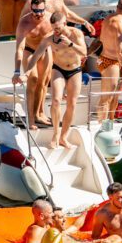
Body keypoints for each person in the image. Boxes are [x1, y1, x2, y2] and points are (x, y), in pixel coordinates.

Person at [21, 11, 88, 149]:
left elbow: (84, 53)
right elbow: (36, 55)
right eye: (53, 28)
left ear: (65, 23)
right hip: (58, 69)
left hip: (75, 70)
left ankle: (64, 137)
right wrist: (27, 72)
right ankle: (56, 134)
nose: (56, 31)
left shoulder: (76, 34)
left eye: (58, 28)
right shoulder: (49, 38)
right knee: (56, 100)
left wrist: (70, 44)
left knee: (72, 104)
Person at [13, 0, 53, 129]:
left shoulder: (50, 18)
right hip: (29, 51)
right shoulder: (24, 23)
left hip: (45, 51)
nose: (39, 14)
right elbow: (19, 48)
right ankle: (31, 119)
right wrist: (17, 71)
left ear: (45, 8)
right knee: (33, 80)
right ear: (31, 9)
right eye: (36, 11)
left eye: (41, 10)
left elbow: (61, 31)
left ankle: (39, 113)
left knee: (44, 83)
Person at [97, 0, 122, 120]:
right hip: (111, 62)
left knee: (107, 98)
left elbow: (101, 39)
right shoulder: (121, 27)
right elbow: (121, 52)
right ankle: (102, 127)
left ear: (117, 6)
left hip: (102, 59)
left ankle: (106, 123)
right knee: (107, 99)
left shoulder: (107, 19)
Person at [52, 207, 122, 243]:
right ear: (52, 221)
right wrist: (94, 242)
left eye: (64, 217)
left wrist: (86, 211)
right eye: (61, 218)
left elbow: (76, 225)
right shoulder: (53, 237)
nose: (65, 220)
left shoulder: (65, 232)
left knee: (116, 237)